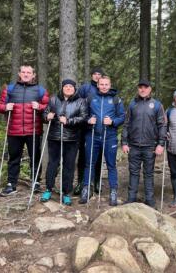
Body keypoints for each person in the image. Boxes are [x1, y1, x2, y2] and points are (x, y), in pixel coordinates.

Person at [0, 65, 49, 196]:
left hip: (34, 130)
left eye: (29, 72)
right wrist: (5, 107)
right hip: (14, 130)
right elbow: (0, 105)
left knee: (35, 157)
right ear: (19, 74)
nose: (26, 74)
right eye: (23, 72)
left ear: (33, 75)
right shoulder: (10, 89)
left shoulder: (40, 90)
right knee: (14, 158)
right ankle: (11, 185)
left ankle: (35, 182)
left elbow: (48, 106)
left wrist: (41, 106)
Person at [40, 79, 88, 205]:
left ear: (74, 88)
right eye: (66, 86)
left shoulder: (80, 101)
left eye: (70, 87)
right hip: (55, 137)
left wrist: (68, 121)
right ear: (62, 88)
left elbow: (83, 118)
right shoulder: (53, 99)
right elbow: (44, 114)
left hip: (72, 139)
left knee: (69, 166)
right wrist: (46, 116)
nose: (68, 88)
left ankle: (66, 192)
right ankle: (49, 189)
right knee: (52, 164)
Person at [79, 76, 125, 205]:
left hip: (110, 137)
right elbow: (83, 115)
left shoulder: (116, 99)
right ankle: (86, 189)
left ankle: (113, 191)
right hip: (92, 135)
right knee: (89, 163)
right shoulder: (91, 98)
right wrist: (88, 120)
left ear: (110, 85)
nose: (104, 86)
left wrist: (112, 122)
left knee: (111, 165)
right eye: (102, 84)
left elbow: (122, 117)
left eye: (106, 84)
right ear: (97, 85)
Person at [121, 79, 167, 208]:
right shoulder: (132, 104)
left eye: (145, 87)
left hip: (150, 146)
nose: (143, 89)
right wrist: (124, 142)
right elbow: (126, 124)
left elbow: (162, 125)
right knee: (133, 172)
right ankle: (131, 199)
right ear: (138, 89)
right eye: (140, 87)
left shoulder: (157, 105)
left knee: (148, 173)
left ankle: (150, 200)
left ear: (150, 89)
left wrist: (161, 144)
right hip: (134, 145)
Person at [75, 67, 105, 195]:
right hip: (84, 126)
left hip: (99, 127)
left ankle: (96, 181)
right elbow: (78, 103)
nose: (97, 76)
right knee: (83, 155)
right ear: (92, 75)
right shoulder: (85, 88)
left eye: (99, 74)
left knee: (98, 155)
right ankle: (81, 181)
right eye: (95, 74)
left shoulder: (104, 88)